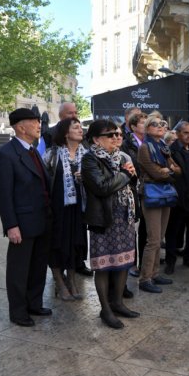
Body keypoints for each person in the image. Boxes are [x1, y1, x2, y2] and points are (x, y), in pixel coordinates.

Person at [0, 108, 52, 327]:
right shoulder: (6, 154)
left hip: (43, 218)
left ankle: (34, 304)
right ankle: (18, 312)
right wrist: (11, 225)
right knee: (19, 270)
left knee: (38, 266)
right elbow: (3, 194)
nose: (39, 125)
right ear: (20, 127)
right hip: (23, 223)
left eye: (39, 121)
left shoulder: (34, 151)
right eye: (34, 121)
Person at [81, 120, 139, 329]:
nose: (116, 137)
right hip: (103, 219)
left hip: (124, 216)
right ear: (96, 139)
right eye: (110, 134)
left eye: (117, 134)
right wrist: (125, 175)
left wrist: (131, 176)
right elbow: (102, 187)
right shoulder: (89, 159)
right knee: (104, 265)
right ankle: (105, 309)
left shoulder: (121, 157)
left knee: (123, 262)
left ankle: (118, 303)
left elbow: (131, 184)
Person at [42, 117, 88, 301]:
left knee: (75, 244)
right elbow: (43, 183)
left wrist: (84, 179)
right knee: (57, 244)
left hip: (78, 209)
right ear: (65, 133)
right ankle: (59, 282)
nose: (80, 129)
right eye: (75, 127)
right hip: (57, 210)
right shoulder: (51, 155)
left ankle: (72, 280)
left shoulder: (87, 155)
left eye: (80, 127)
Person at [137, 116, 181, 293]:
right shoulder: (144, 147)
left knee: (159, 237)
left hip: (165, 193)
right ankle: (145, 278)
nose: (160, 126)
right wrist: (168, 171)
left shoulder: (164, 147)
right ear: (147, 129)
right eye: (154, 124)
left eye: (163, 124)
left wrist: (167, 170)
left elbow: (178, 169)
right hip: (152, 193)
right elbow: (155, 173)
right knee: (153, 239)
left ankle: (154, 274)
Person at [164, 120, 189, 273]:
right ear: (178, 134)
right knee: (173, 230)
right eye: (185, 133)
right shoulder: (170, 150)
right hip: (178, 196)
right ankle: (170, 261)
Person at [120, 111, 148, 279]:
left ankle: (145, 262)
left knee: (146, 228)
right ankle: (132, 263)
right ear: (133, 126)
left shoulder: (150, 142)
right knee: (133, 228)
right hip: (133, 189)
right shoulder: (126, 144)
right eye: (143, 123)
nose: (146, 125)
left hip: (148, 190)